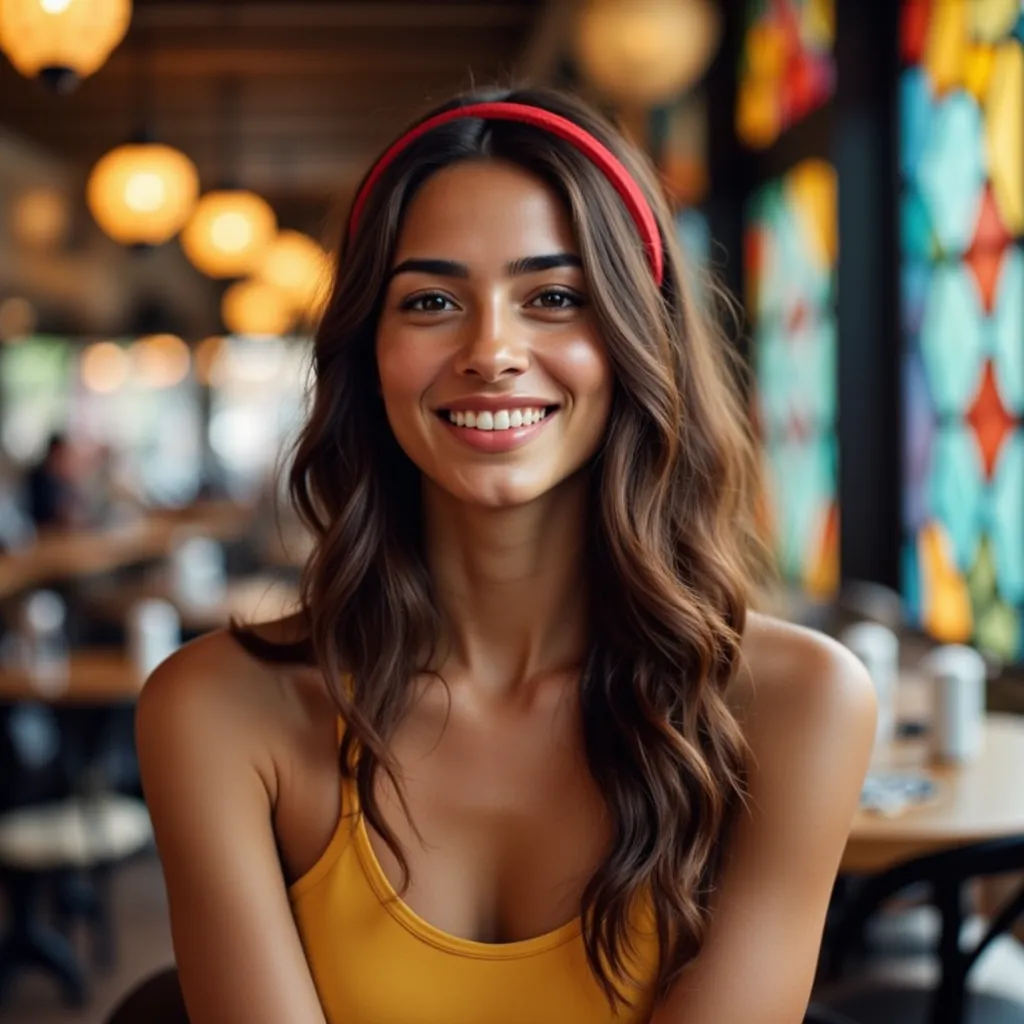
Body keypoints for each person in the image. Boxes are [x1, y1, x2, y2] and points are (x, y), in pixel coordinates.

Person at [135, 87, 876, 1024]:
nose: (492, 350)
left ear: (636, 340)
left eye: (555, 297)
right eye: (433, 300)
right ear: (369, 354)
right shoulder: (214, 712)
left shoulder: (796, 703)